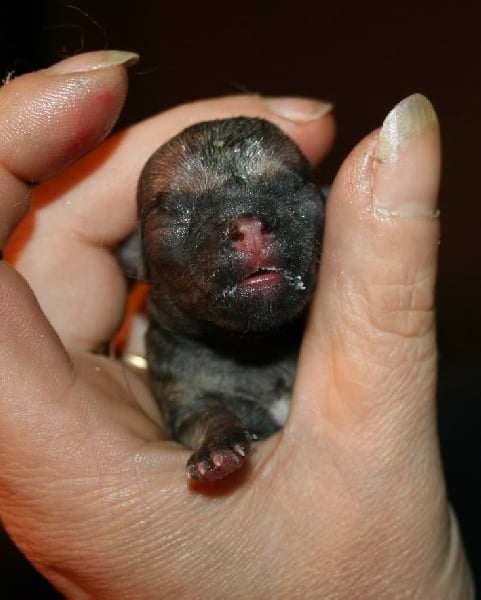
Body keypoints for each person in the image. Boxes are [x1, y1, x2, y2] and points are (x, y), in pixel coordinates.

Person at [0, 50, 475, 598]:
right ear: (136, 259)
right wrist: (214, 431)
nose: (248, 225)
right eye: (178, 215)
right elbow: (191, 408)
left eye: (286, 190)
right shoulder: (178, 362)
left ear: (331, 211)